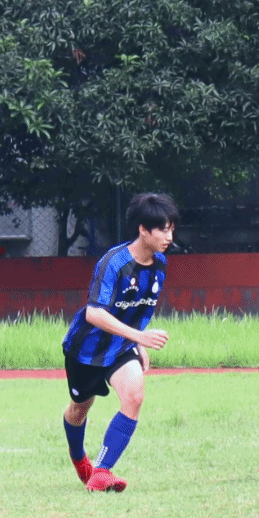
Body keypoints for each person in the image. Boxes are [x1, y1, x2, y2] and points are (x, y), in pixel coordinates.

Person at [61, 192, 178, 492]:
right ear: (143, 229)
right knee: (78, 409)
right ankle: (79, 458)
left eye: (171, 229)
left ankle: (101, 471)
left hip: (121, 347)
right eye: (163, 229)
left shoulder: (160, 264)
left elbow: (141, 308)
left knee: (134, 396)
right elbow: (94, 313)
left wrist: (137, 343)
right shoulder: (113, 262)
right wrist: (139, 337)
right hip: (86, 350)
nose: (169, 236)